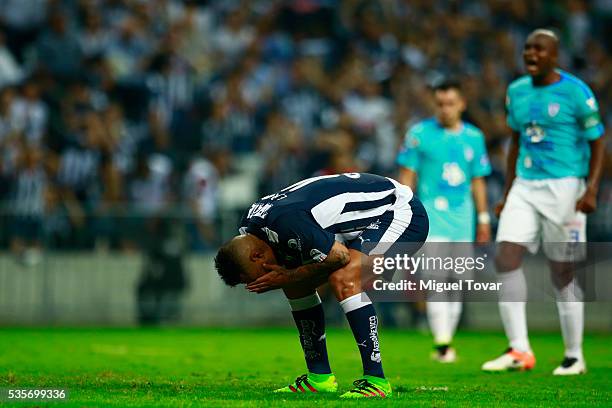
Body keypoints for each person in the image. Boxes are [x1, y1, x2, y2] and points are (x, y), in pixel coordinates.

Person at [215, 173, 429, 398]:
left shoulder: (286, 223)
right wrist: (291, 277)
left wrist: (289, 276)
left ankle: (376, 381)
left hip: (398, 211)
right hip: (354, 225)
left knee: (344, 278)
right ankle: (319, 378)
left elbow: (339, 257)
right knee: (296, 285)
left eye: (255, 276)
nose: (261, 280)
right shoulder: (251, 228)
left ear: (257, 256)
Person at [481, 29, 605, 375]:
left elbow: (598, 142)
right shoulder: (516, 91)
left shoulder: (576, 92)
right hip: (525, 184)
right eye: (527, 47)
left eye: (539, 48)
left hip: (565, 187)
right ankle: (519, 349)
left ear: (554, 55)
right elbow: (516, 144)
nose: (530, 53)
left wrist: (591, 188)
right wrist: (507, 195)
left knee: (562, 271)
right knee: (505, 258)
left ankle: (574, 355)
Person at [397, 79, 492, 363]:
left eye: (450, 103)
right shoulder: (419, 134)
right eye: (440, 104)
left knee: (456, 284)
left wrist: (484, 218)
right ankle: (442, 343)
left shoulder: (474, 137)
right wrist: (404, 212)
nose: (445, 109)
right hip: (431, 220)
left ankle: (445, 343)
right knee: (437, 281)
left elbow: (478, 181)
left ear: (462, 104)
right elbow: (406, 177)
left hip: (463, 221)